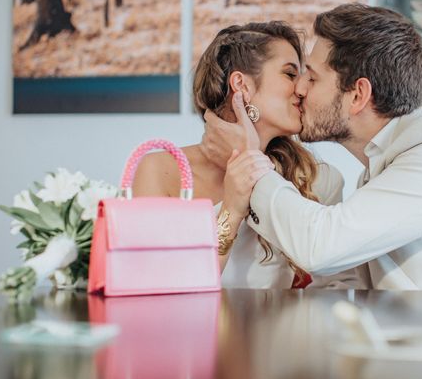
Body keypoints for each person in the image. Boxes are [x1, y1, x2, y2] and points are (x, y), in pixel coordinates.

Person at [203, 3, 422, 290]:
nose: (300, 89)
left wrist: (251, 162)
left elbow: (320, 247)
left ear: (358, 95)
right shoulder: (379, 174)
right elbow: (345, 283)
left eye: (312, 77)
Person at [133, 21, 367, 289]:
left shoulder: (318, 180)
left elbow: (338, 288)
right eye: (290, 74)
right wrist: (231, 210)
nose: (302, 89)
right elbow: (155, 289)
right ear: (241, 85)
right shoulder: (162, 170)